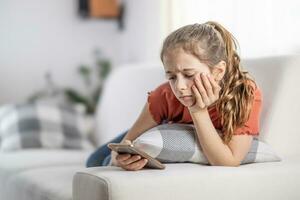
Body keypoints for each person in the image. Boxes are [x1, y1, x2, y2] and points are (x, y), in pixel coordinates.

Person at [86, 21, 262, 170]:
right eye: (171, 77)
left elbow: (228, 162)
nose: (179, 87)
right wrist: (119, 159)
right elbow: (125, 145)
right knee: (94, 161)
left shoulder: (244, 94)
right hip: (156, 126)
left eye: (189, 75)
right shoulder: (164, 95)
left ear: (218, 71)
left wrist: (198, 111)